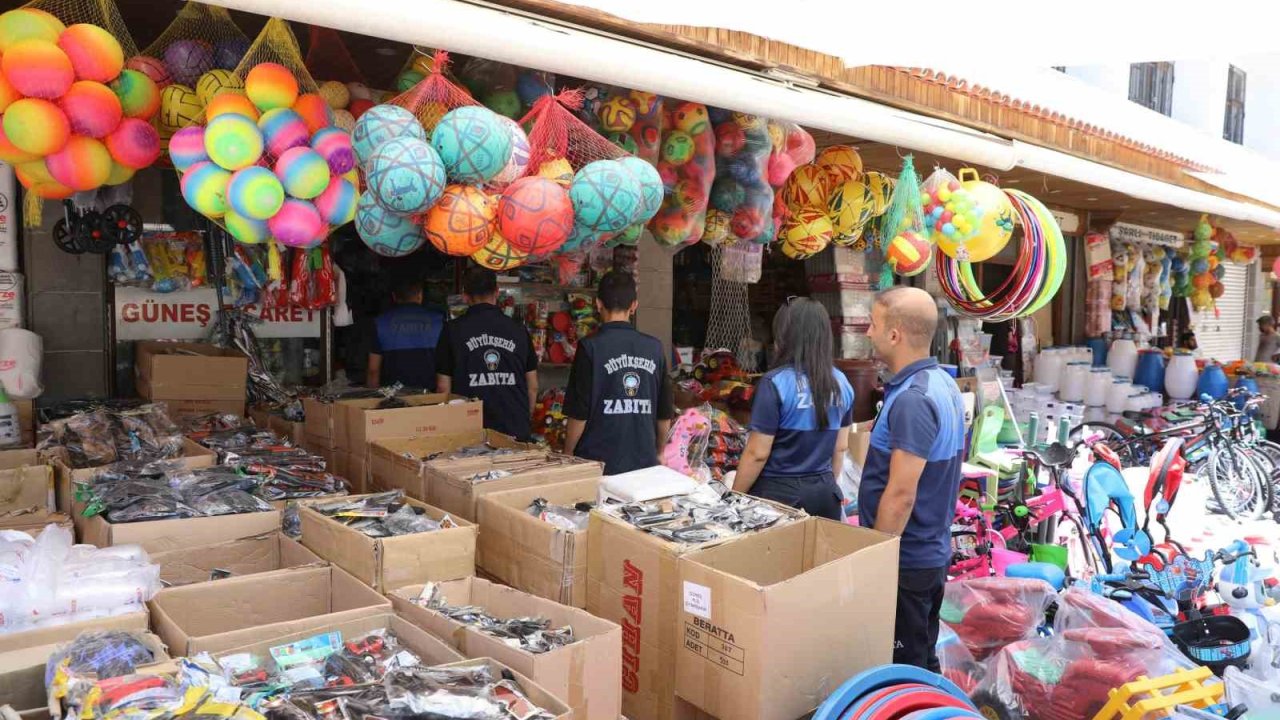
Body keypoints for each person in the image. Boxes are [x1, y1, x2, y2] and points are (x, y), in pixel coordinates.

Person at [859, 286, 965, 672]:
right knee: (921, 661)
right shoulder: (941, 384)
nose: (867, 332)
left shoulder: (914, 399)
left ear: (894, 335)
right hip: (926, 554)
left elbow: (901, 495)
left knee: (903, 670)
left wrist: (877, 562)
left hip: (907, 561)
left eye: (873, 324)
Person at [731, 298, 853, 520]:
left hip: (776, 498)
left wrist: (735, 497)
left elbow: (757, 453)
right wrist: (828, 486)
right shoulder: (841, 382)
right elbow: (841, 447)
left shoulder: (775, 383)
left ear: (785, 336)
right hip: (825, 495)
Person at [564, 270, 674, 475]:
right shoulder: (655, 348)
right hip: (643, 463)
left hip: (598, 464)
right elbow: (664, 410)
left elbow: (579, 412)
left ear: (598, 304)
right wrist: (659, 451)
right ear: (634, 306)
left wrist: (568, 454)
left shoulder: (590, 347)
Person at [435, 267, 539, 440]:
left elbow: (442, 387)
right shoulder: (519, 330)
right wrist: (524, 418)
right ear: (497, 292)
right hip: (514, 429)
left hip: (469, 430)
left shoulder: (452, 331)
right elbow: (533, 386)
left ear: (465, 296)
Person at [367, 279, 444, 389]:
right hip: (430, 396)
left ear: (394, 297)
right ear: (420, 295)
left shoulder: (380, 323)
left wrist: (372, 401)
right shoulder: (439, 321)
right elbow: (445, 368)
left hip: (394, 398)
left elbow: (373, 371)